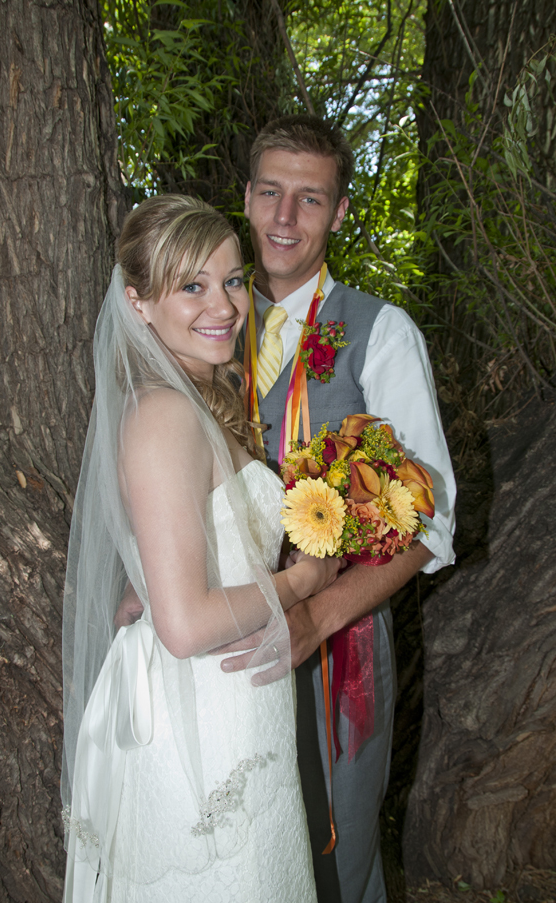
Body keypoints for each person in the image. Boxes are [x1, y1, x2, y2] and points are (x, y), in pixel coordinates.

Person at [61, 195, 342, 902]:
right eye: (192, 285)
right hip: (198, 721)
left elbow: (188, 562)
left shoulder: (198, 396)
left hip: (238, 699)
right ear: (138, 303)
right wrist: (301, 582)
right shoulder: (162, 415)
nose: (223, 304)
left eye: (232, 280)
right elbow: (183, 627)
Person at [212, 115, 457, 903]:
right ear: (246, 199)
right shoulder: (206, 321)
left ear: (340, 212)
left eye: (310, 199)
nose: (286, 219)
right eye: (272, 193)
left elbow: (431, 520)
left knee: (333, 850)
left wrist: (318, 619)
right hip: (218, 632)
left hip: (336, 648)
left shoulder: (382, 333)